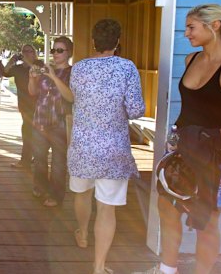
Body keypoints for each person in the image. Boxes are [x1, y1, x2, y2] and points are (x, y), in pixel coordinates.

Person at [139, 4, 221, 274]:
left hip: (216, 158)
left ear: (214, 26)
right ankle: (167, 270)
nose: (186, 33)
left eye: (191, 27)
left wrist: (211, 136)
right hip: (182, 154)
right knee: (168, 211)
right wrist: (186, 138)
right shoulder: (191, 60)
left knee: (207, 225)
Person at [68, 19, 146, 274]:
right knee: (106, 208)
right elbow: (135, 110)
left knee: (82, 193)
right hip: (114, 149)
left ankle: (82, 233)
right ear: (117, 42)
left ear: (93, 42)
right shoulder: (127, 68)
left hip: (82, 147)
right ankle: (99, 267)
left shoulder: (78, 68)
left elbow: (76, 99)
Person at [28, 38, 74, 207]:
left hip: (59, 123)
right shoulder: (46, 70)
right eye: (54, 50)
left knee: (58, 162)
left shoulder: (72, 72)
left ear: (69, 52)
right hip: (40, 120)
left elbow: (70, 97)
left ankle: (55, 195)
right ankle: (40, 187)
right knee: (39, 158)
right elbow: (33, 92)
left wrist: (54, 77)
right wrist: (32, 78)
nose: (55, 53)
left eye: (60, 50)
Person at [4, 44, 38, 168]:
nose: (27, 54)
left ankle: (26, 161)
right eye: (24, 51)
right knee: (29, 131)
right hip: (24, 104)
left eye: (30, 51)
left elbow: (41, 75)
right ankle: (30, 157)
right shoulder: (18, 68)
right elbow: (4, 72)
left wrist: (29, 64)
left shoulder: (38, 65)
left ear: (34, 53)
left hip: (38, 104)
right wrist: (11, 61)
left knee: (29, 131)